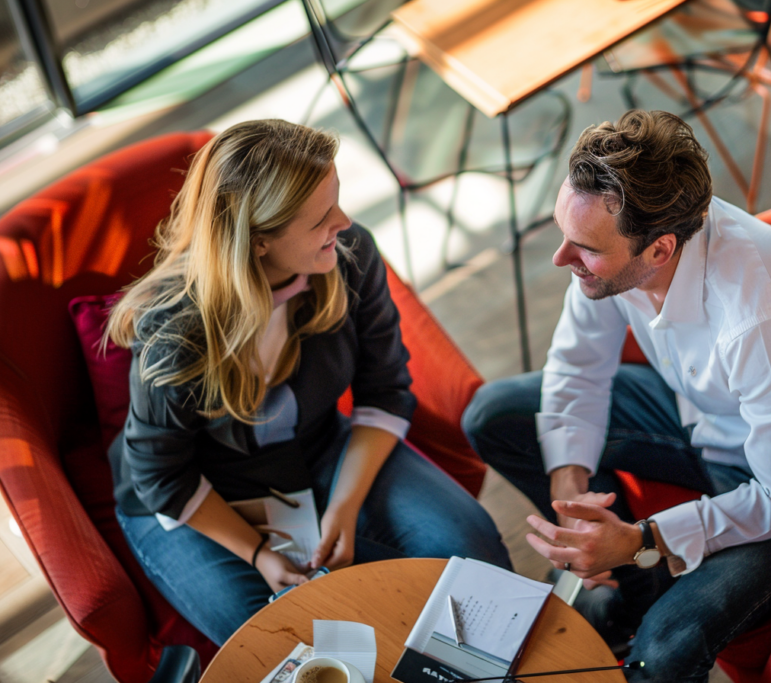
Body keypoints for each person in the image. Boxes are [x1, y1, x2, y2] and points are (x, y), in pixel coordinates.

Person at [462, 110, 771, 682]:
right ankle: (628, 586)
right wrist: (571, 495)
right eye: (562, 233)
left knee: (663, 650)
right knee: (495, 414)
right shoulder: (621, 246)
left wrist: (644, 538)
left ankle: (633, 579)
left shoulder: (760, 319)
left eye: (584, 248)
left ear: (660, 251)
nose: (561, 259)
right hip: (702, 414)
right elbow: (577, 366)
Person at [106, 119, 510, 645]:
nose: (343, 223)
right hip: (198, 490)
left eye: (337, 201)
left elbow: (385, 390)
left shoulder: (350, 256)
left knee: (468, 546)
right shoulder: (174, 330)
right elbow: (160, 475)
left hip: (316, 446)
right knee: (277, 641)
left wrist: (344, 505)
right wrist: (257, 553)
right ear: (258, 243)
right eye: (322, 217)